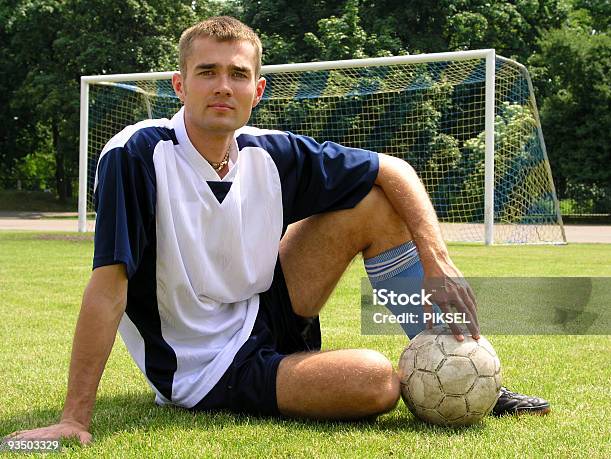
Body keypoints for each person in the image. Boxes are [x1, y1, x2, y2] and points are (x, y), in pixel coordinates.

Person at [7, 16, 549, 445]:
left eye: (238, 74)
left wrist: (438, 263)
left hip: (263, 309)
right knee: (377, 381)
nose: (224, 87)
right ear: (180, 84)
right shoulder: (136, 154)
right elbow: (109, 285)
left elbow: (394, 169)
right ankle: (321, 375)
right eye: (208, 72)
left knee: (375, 203)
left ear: (258, 89)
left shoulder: (268, 151)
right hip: (206, 364)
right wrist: (75, 418)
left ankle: (467, 371)